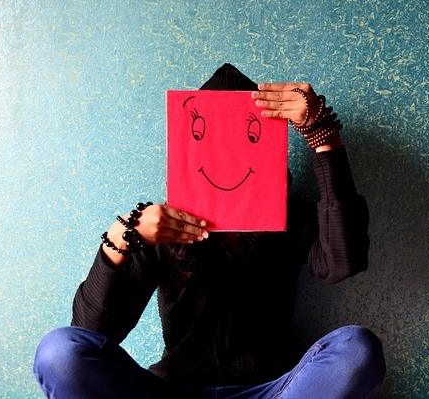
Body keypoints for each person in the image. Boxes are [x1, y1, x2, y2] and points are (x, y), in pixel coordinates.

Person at [33, 63, 385, 398]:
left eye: (246, 139)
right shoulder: (162, 227)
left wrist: (323, 133)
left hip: (270, 391)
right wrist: (122, 236)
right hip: (172, 392)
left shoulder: (288, 218)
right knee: (57, 352)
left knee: (356, 348)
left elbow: (343, 261)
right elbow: (89, 332)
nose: (228, 159)